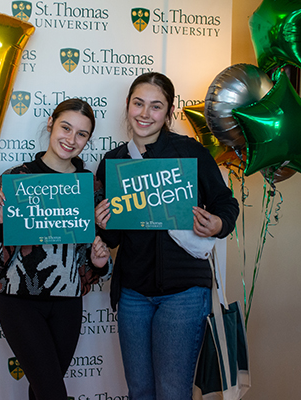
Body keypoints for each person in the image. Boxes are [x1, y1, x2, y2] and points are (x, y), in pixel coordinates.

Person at [95, 72, 239, 400]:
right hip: (133, 293)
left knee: (172, 392)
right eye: (138, 103)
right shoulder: (113, 161)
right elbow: (115, 237)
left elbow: (225, 203)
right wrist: (103, 224)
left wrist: (217, 223)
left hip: (184, 293)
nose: (145, 113)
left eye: (156, 106)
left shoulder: (189, 152)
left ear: (169, 111)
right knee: (140, 391)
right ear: (127, 105)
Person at [0, 98, 112, 400]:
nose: (71, 139)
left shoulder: (89, 187)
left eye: (81, 134)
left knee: (42, 391)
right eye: (66, 127)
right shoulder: (16, 179)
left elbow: (95, 261)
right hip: (19, 302)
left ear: (88, 139)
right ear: (50, 123)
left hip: (67, 305)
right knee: (52, 393)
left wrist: (99, 260)